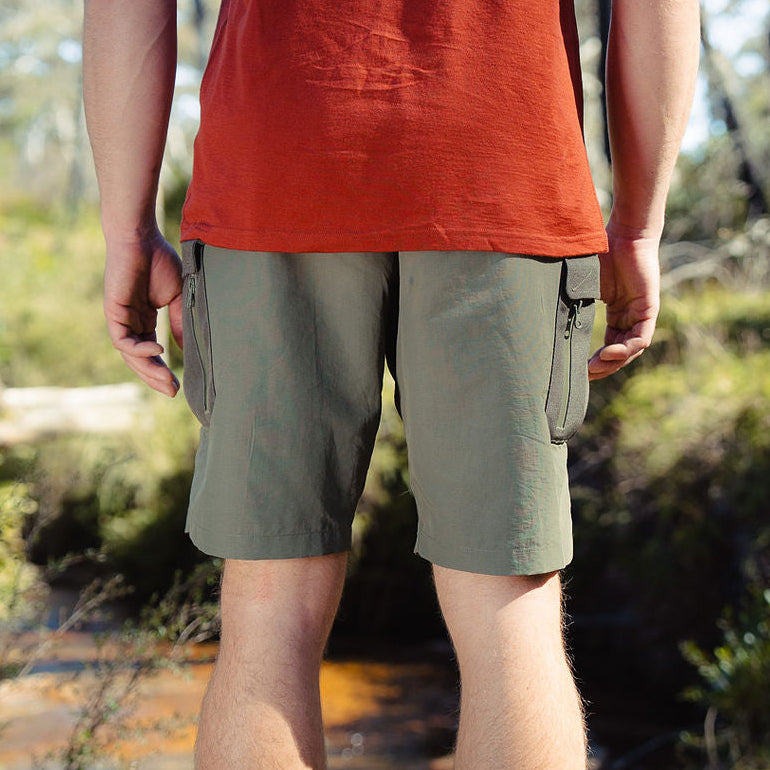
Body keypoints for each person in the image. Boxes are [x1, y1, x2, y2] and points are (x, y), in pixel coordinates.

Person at [82, 0, 700, 766]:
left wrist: (126, 227)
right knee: (507, 611)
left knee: (270, 610)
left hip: (275, 165)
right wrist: (638, 225)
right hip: (502, 168)